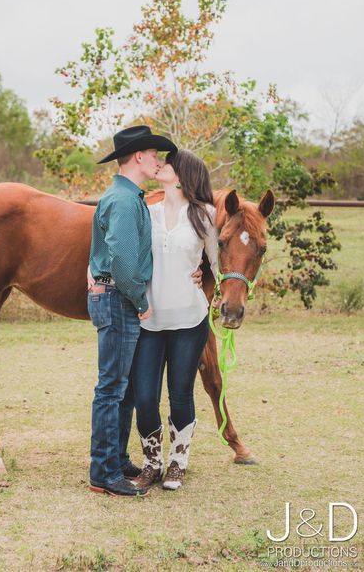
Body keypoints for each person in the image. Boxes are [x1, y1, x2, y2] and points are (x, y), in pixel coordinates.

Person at [87, 125, 177, 497]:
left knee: (121, 389)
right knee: (111, 388)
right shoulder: (124, 201)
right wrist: (141, 301)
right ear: (139, 157)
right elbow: (122, 261)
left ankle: (117, 458)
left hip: (112, 294)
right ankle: (104, 472)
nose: (159, 160)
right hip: (119, 297)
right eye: (155, 154)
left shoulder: (128, 196)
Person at [130, 149, 219, 491]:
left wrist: (204, 279)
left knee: (181, 393)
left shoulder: (205, 215)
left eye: (168, 162)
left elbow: (218, 266)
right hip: (149, 320)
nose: (161, 165)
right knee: (145, 397)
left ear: (183, 174)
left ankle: (178, 463)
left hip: (189, 320)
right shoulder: (146, 213)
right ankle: (152, 463)